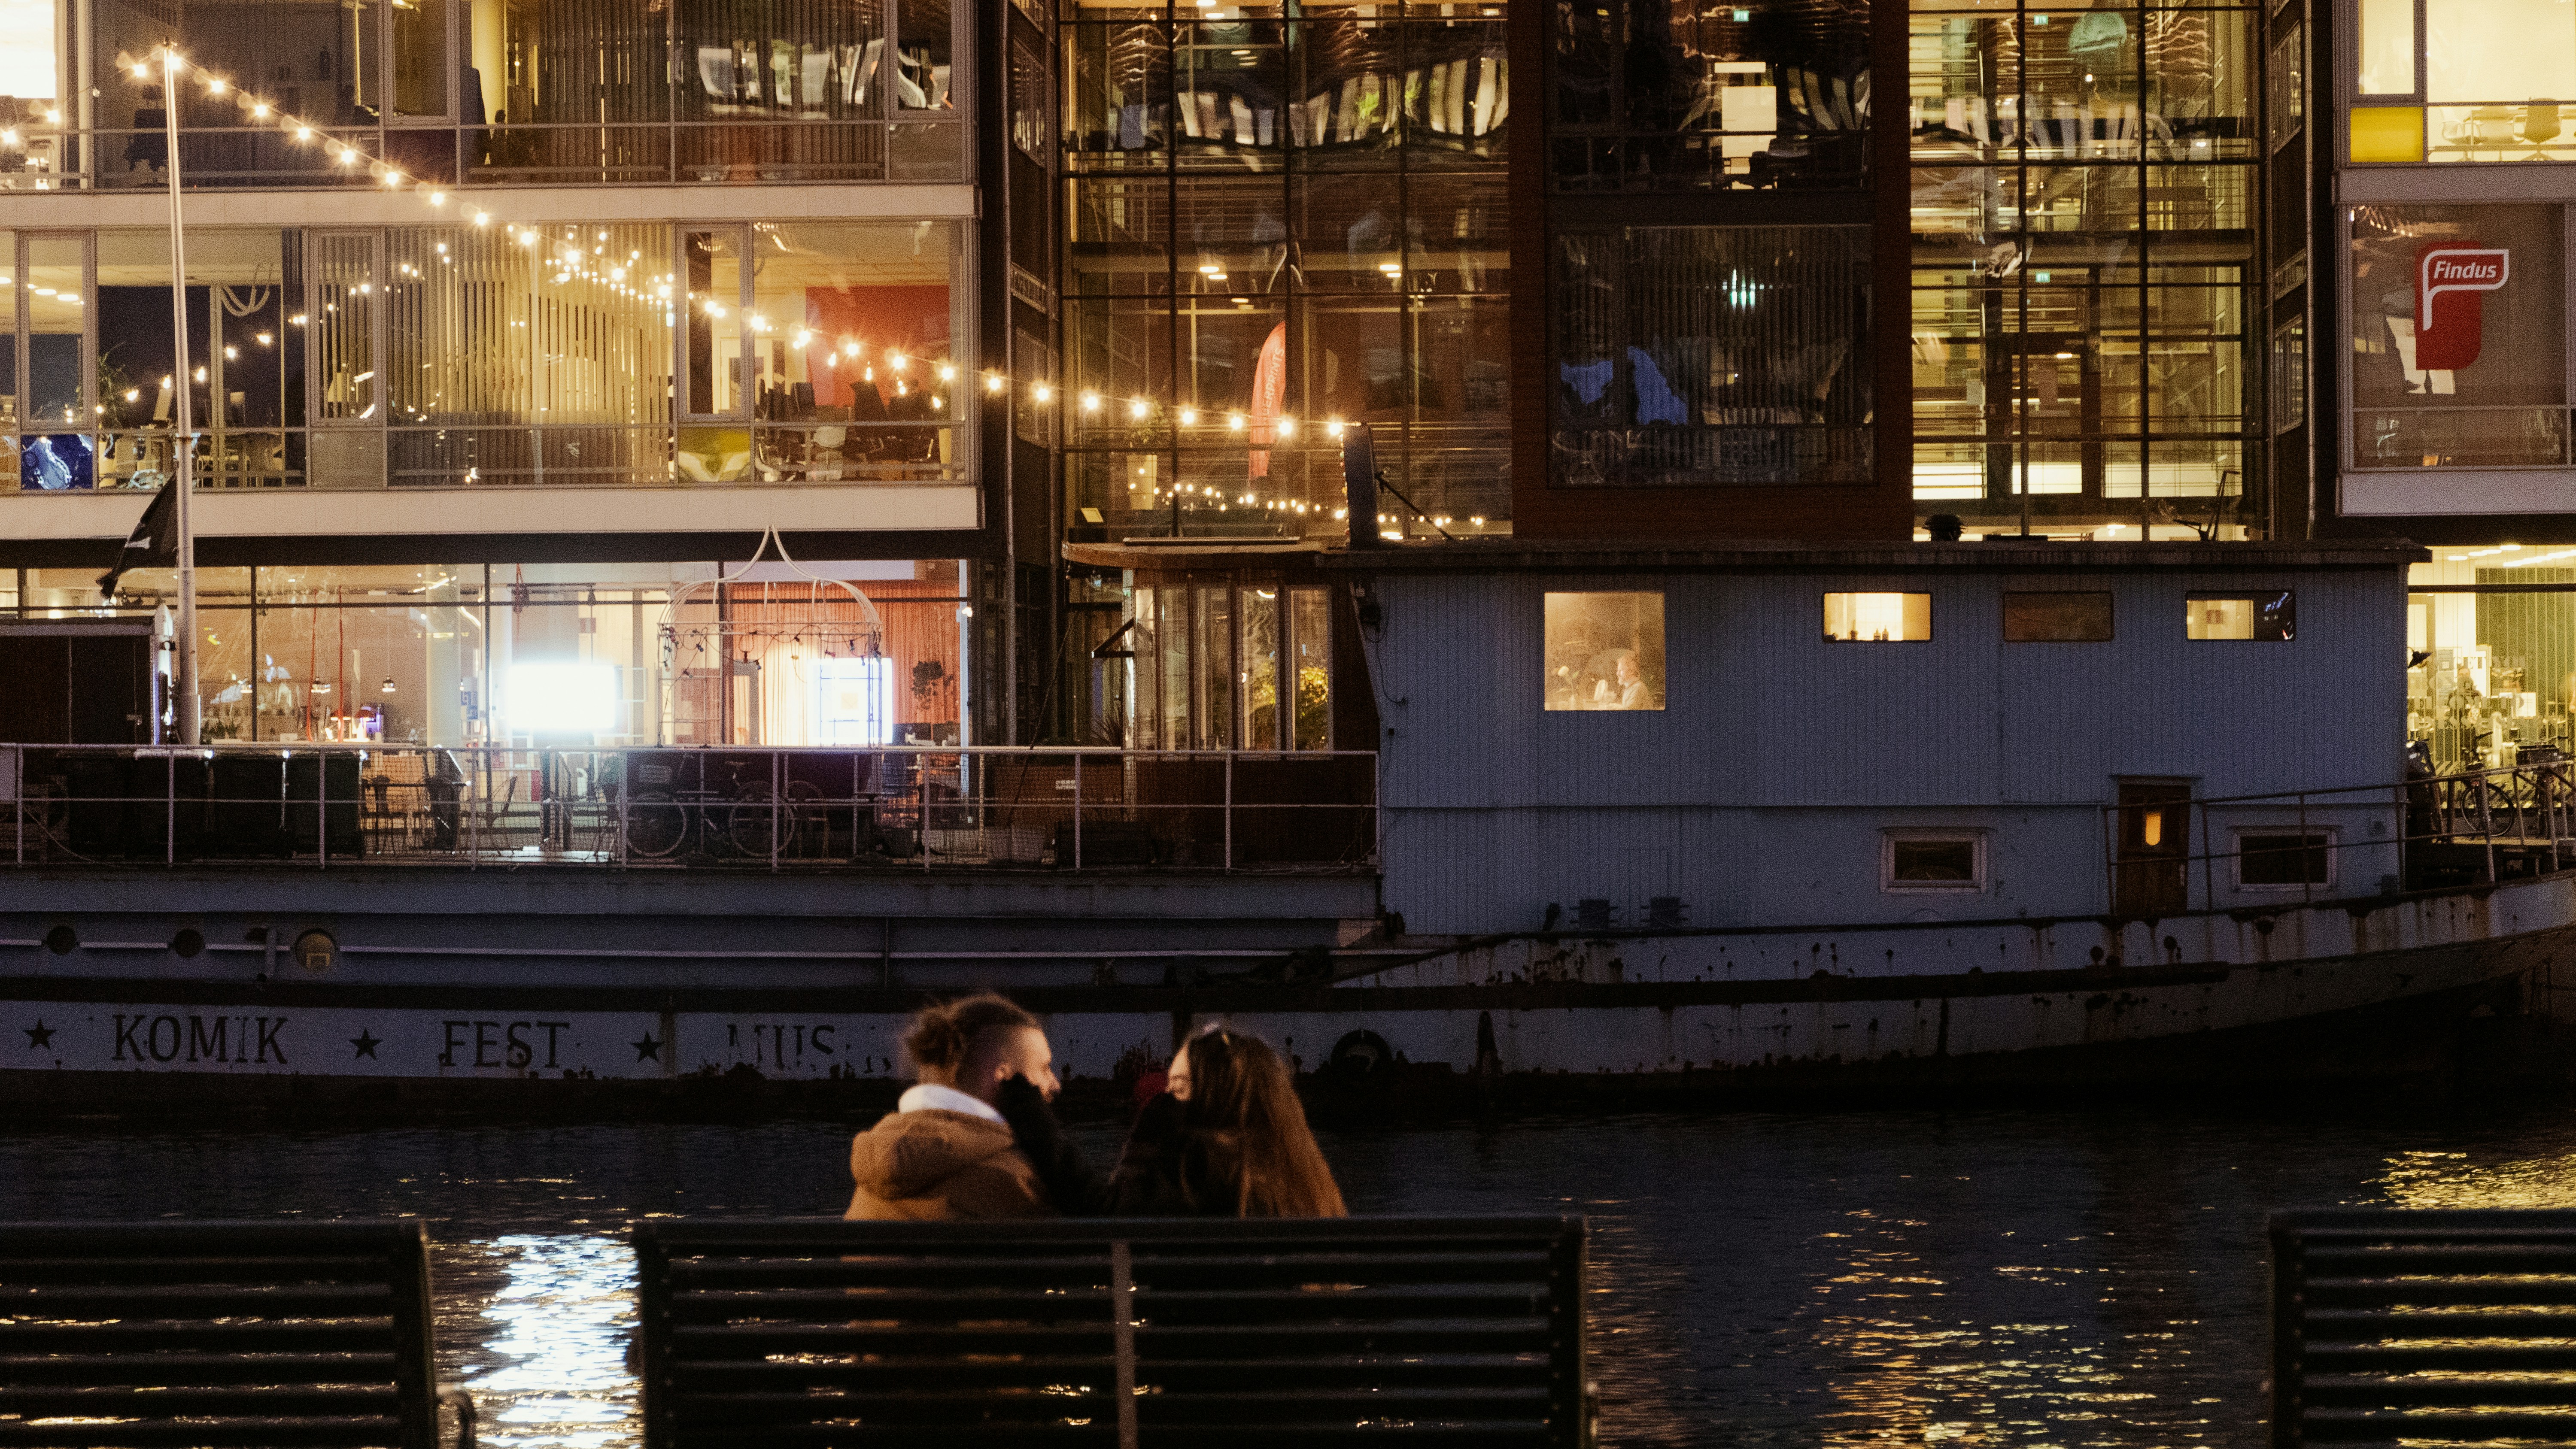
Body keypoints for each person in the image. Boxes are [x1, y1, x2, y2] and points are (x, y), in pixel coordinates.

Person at [1001, 1024, 1346, 1218]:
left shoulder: (1206, 1158)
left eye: (1178, 1087)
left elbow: (1108, 1215)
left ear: (1215, 1095)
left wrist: (1030, 1113)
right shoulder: (1293, 1169)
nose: (1166, 1098)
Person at [844, 992, 1062, 1220]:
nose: (1055, 1084)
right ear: (1002, 1077)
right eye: (1044, 1068)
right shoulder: (1016, 1179)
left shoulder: (875, 1162)